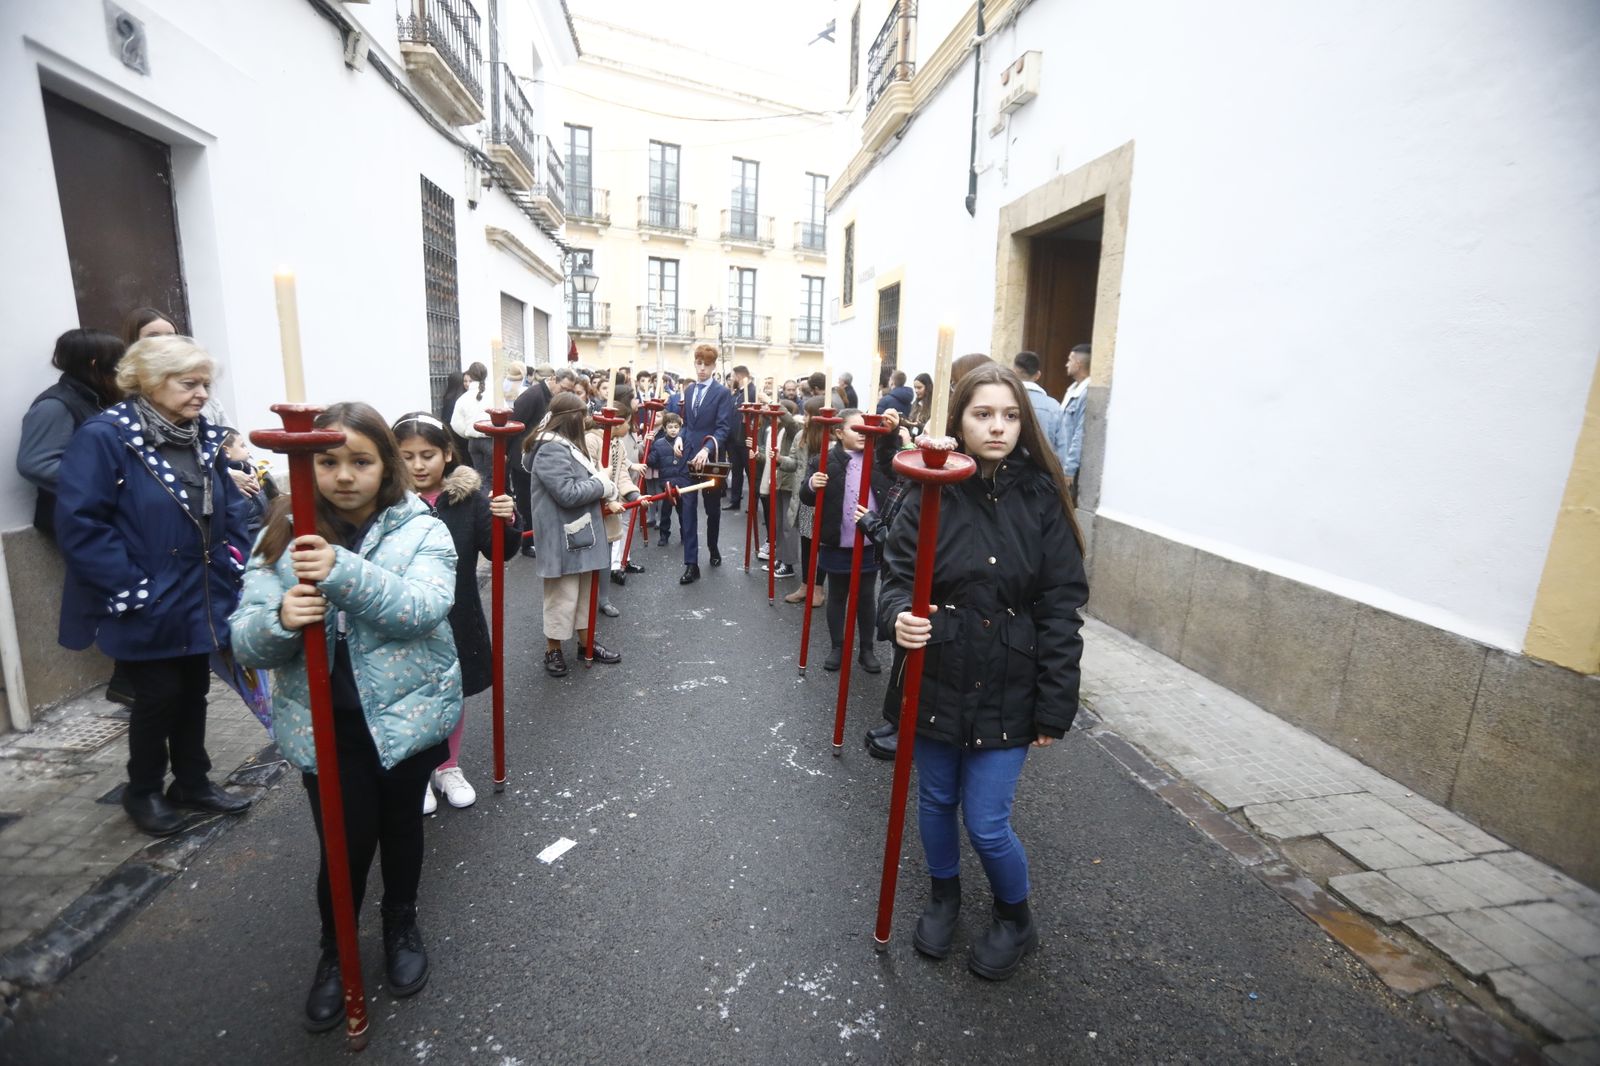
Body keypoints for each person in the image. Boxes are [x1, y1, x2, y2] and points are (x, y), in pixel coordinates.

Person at [229, 401, 460, 1030]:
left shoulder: (421, 529)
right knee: (344, 844)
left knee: (402, 830)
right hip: (327, 728)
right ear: (308, 466)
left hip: (407, 716)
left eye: (361, 461)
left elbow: (423, 607)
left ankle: (400, 922)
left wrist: (342, 572)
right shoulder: (283, 532)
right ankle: (336, 951)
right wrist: (281, 621)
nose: (345, 476)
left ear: (385, 465)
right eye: (329, 462)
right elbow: (245, 638)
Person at [881, 363, 1088, 981]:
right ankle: (944, 895)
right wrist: (897, 617)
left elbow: (1060, 606)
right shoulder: (929, 490)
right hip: (936, 672)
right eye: (983, 414)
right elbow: (896, 576)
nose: (998, 427)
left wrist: (1055, 703)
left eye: (1010, 415)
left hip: (1008, 682)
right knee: (937, 799)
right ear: (959, 421)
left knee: (988, 822)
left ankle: (1014, 918)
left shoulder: (1041, 497)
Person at [54, 335, 254, 836]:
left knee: (194, 690)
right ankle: (142, 790)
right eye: (189, 383)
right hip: (148, 595)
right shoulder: (106, 436)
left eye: (205, 384)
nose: (202, 394)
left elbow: (227, 507)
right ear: (149, 381)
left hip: (200, 589)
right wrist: (132, 586)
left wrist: (239, 561)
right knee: (158, 695)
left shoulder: (201, 436)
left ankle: (192, 782)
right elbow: (81, 522)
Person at [392, 412, 519, 813]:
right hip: (404, 618)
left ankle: (448, 765)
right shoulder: (385, 504)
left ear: (447, 453)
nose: (418, 465)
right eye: (407, 456)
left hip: (457, 614)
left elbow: (500, 551)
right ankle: (416, 771)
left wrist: (506, 519)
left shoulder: (468, 501)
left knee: (452, 694)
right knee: (410, 694)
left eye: (427, 455)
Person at [523, 393, 622, 675]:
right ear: (572, 419)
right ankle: (552, 650)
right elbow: (567, 493)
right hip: (560, 537)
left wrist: (601, 485)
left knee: (583, 595)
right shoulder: (551, 449)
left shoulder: (565, 446)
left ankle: (586, 644)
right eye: (583, 416)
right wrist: (601, 483)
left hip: (577, 533)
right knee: (561, 597)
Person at [798, 409, 893, 673]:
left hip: (869, 541)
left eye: (866, 429)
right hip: (837, 541)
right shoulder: (823, 460)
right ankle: (837, 646)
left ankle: (866, 649)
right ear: (839, 433)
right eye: (856, 429)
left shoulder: (878, 459)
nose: (863, 434)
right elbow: (806, 497)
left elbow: (892, 481)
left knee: (866, 596)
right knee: (838, 595)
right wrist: (812, 484)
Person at [18, 328, 125, 538]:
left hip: (96, 514)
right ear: (95, 364)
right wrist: (105, 482)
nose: (123, 367)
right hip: (77, 520)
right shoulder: (55, 404)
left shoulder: (96, 396)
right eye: (118, 360)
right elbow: (35, 464)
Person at [666, 345, 735, 584]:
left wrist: (707, 449)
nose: (702, 368)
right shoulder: (690, 389)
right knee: (687, 509)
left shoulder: (722, 393)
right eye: (699, 363)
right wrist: (679, 438)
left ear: (714, 366)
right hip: (688, 458)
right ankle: (691, 564)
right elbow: (687, 424)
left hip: (710, 459)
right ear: (694, 364)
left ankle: (713, 547)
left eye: (707, 364)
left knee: (712, 509)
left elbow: (723, 428)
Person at [782, 397, 827, 606]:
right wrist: (779, 459)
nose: (805, 418)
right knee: (807, 544)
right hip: (806, 499)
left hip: (825, 502)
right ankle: (805, 585)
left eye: (809, 414)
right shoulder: (802, 436)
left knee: (823, 546)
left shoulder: (831, 440)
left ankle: (818, 588)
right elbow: (794, 463)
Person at [751, 400, 801, 578]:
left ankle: (789, 563)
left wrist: (773, 403)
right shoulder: (773, 430)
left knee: (788, 526)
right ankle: (780, 557)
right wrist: (758, 455)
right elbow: (771, 457)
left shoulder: (793, 429)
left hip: (789, 481)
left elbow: (790, 423)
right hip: (777, 479)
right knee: (778, 524)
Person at [510, 364, 555, 556]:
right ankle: (526, 542)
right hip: (522, 459)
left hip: (535, 456)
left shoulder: (547, 395)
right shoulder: (532, 395)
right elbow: (515, 424)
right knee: (526, 502)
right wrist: (507, 452)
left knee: (537, 501)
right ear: (553, 379)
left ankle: (536, 538)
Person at [449, 361, 495, 485]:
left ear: (470, 375)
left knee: (479, 477)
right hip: (490, 440)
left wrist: (467, 433)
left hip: (473, 442)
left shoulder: (463, 398)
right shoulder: (494, 395)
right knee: (492, 477)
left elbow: (455, 423)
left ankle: (481, 495)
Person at [649, 412, 690, 546]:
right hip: (666, 484)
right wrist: (648, 445)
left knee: (683, 513)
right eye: (670, 427)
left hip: (681, 484)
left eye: (676, 427)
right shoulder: (659, 444)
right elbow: (652, 461)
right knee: (665, 513)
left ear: (680, 428)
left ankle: (685, 535)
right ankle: (664, 535)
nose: (673, 430)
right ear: (665, 428)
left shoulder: (684, 442)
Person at [1011, 351, 1063, 448]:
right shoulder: (1053, 406)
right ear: (1038, 375)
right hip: (1044, 457)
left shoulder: (1006, 400)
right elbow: (1061, 445)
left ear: (1013, 372)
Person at [1060, 344, 1091, 502]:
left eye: (1069, 360)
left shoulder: (1085, 393)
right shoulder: (1072, 390)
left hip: (1071, 468)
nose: (1067, 364)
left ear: (1078, 364)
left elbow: (1080, 433)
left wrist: (1069, 469)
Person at [724, 365, 756, 510]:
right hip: (733, 440)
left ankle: (752, 504)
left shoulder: (753, 392)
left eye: (732, 377)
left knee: (750, 473)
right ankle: (735, 500)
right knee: (736, 471)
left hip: (745, 439)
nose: (731, 380)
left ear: (739, 376)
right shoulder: (737, 393)